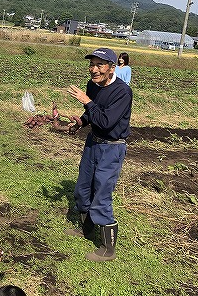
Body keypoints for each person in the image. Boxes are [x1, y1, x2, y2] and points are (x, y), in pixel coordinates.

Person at [65, 48, 132, 262]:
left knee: (102, 193)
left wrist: (87, 101)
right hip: (93, 142)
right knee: (83, 189)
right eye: (92, 64)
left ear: (112, 68)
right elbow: (91, 114)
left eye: (99, 65)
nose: (94, 69)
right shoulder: (92, 86)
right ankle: (86, 229)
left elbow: (105, 121)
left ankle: (107, 249)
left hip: (112, 147)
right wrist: (81, 122)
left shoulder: (122, 92)